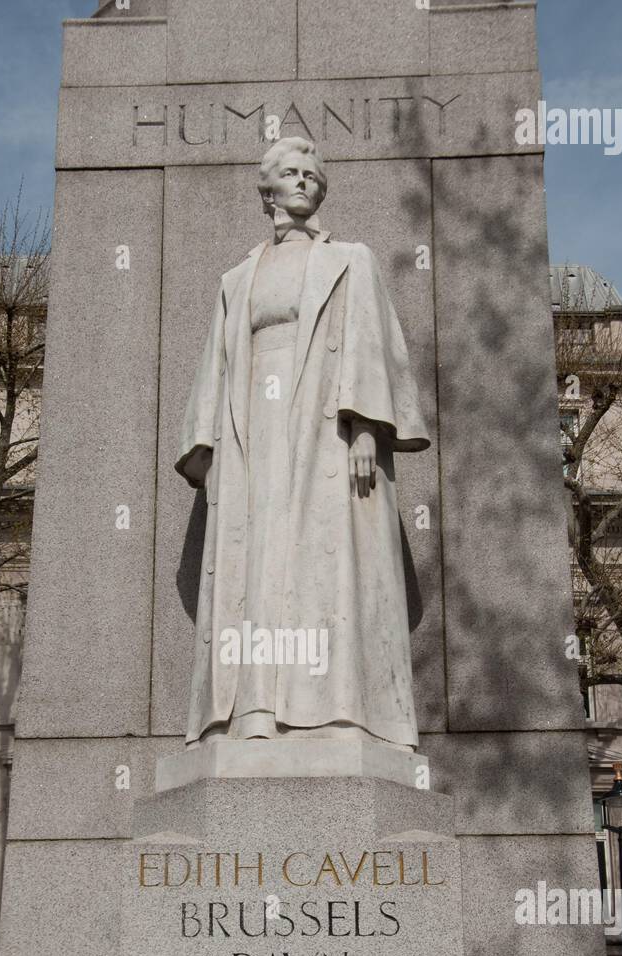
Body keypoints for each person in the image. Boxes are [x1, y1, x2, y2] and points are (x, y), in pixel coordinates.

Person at [177, 136, 430, 749]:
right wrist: (206, 451)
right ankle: (252, 711)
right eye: (289, 173)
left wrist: (367, 426)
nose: (303, 182)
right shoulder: (237, 278)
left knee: (327, 563)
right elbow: (216, 365)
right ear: (267, 190)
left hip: (324, 422)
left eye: (312, 174)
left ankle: (338, 708)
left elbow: (370, 343)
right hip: (254, 431)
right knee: (258, 565)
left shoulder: (352, 259)